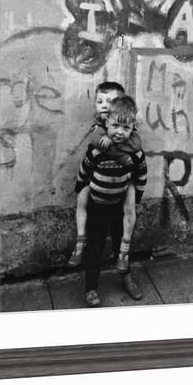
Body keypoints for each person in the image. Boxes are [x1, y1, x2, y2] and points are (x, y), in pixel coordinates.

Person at [74, 96, 148, 307]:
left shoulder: (135, 154)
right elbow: (85, 167)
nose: (119, 132)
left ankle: (126, 279)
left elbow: (141, 175)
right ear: (106, 122)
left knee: (121, 245)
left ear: (133, 127)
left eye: (125, 127)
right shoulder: (97, 149)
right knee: (94, 247)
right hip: (97, 205)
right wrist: (80, 186)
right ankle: (91, 288)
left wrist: (138, 197)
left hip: (119, 207)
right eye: (115, 125)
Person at [67, 82, 143, 273]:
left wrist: (121, 153)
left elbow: (136, 147)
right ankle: (80, 242)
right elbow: (94, 146)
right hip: (99, 186)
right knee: (83, 202)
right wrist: (121, 156)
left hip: (123, 186)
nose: (103, 105)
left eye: (109, 102)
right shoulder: (98, 128)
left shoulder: (127, 129)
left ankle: (125, 266)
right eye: (99, 101)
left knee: (128, 210)